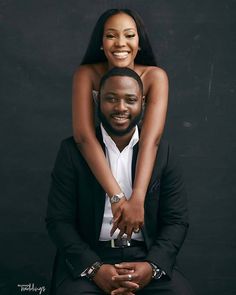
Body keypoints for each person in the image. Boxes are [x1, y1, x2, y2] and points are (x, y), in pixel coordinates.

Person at [46, 67, 193, 295]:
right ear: (97, 100)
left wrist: (151, 267)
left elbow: (177, 221)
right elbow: (58, 221)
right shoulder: (71, 152)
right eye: (111, 99)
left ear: (142, 102)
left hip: (145, 257)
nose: (121, 108)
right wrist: (94, 269)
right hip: (92, 258)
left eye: (130, 100)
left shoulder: (163, 153)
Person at [72, 9, 169, 238]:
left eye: (129, 35)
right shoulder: (86, 74)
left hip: (139, 165)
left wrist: (137, 198)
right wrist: (116, 196)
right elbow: (84, 137)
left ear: (139, 42)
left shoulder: (155, 77)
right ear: (101, 42)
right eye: (111, 35)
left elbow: (150, 140)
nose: (120, 43)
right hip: (94, 165)